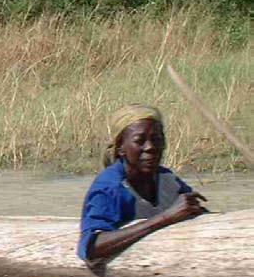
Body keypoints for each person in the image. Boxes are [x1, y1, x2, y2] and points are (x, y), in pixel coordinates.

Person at [77, 104, 207, 263]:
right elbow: (91, 247)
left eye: (156, 140)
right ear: (120, 148)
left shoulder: (168, 180)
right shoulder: (110, 187)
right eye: (140, 141)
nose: (150, 147)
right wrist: (165, 217)